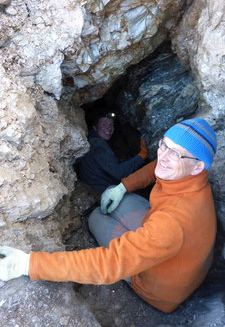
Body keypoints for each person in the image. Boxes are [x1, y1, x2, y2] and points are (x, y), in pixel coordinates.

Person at [0, 118, 217, 314]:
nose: (163, 156)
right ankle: (126, 203)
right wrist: (123, 186)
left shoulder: (172, 221)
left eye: (175, 153)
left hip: (160, 289)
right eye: (164, 144)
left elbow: (109, 263)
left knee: (97, 217)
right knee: (115, 195)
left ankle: (134, 252)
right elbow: (156, 167)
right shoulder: (193, 179)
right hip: (182, 262)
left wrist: (29, 264)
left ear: (198, 166)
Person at [78, 109, 148, 193]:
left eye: (111, 124)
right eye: (104, 124)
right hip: (103, 193)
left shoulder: (89, 142)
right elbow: (119, 173)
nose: (109, 128)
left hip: (93, 191)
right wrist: (142, 155)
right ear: (94, 127)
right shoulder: (98, 145)